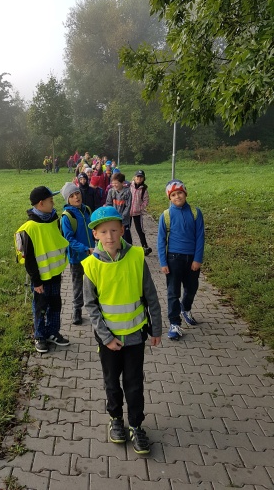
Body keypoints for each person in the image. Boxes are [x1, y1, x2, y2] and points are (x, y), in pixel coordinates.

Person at [82, 206, 162, 453]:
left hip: (135, 336)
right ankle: (116, 419)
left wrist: (156, 328)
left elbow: (151, 296)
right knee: (111, 382)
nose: (110, 236)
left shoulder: (136, 257)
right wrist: (106, 338)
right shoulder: (91, 266)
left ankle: (136, 425)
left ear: (123, 230)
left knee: (134, 383)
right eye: (104, 231)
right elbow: (91, 306)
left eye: (114, 230)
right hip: (108, 341)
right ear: (95, 234)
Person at [15, 186, 70, 353]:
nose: (53, 203)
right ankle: (39, 336)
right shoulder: (29, 228)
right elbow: (29, 259)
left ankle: (53, 332)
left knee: (55, 304)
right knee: (40, 307)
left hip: (55, 274)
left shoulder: (54, 220)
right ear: (41, 204)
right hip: (40, 279)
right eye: (51, 200)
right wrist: (36, 281)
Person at [157, 179, 205, 341]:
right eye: (173, 195)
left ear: (185, 194)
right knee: (173, 292)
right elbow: (161, 240)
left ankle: (186, 308)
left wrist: (197, 259)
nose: (177, 197)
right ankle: (174, 323)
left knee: (191, 288)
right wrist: (163, 262)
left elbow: (200, 237)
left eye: (180, 193)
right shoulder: (166, 215)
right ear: (169, 198)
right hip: (173, 259)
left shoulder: (195, 213)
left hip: (192, 259)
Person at [60, 182, 94, 325]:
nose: (76, 197)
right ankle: (77, 310)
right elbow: (68, 239)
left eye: (77, 193)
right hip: (77, 257)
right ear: (67, 199)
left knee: (93, 283)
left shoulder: (87, 210)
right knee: (78, 285)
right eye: (72, 196)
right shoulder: (67, 216)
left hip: (92, 255)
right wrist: (85, 248)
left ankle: (96, 308)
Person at [105, 172, 132, 244]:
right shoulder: (111, 191)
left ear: (122, 183)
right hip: (114, 219)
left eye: (116, 183)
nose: (114, 185)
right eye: (113, 183)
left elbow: (128, 206)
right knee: (115, 237)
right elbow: (108, 203)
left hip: (124, 220)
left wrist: (121, 217)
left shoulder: (127, 192)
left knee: (126, 238)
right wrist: (111, 215)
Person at [130, 170, 152, 256]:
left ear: (143, 179)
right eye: (137, 177)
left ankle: (144, 246)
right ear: (134, 177)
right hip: (128, 212)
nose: (139, 178)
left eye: (141, 177)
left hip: (137, 213)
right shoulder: (129, 186)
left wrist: (140, 207)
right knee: (126, 229)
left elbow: (146, 200)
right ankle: (127, 246)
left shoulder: (143, 189)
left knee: (139, 230)